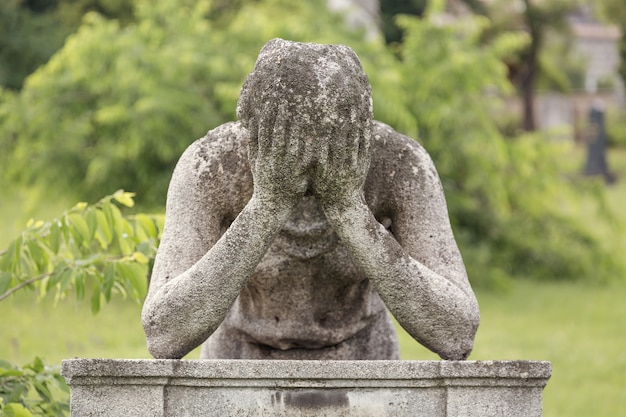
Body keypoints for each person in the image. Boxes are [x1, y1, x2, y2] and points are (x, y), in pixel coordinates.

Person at [141, 39, 479, 361]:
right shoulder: (212, 165)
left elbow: (456, 332)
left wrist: (348, 209)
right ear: (251, 127)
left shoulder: (399, 164)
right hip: (238, 353)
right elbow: (164, 333)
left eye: (333, 136)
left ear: (361, 127)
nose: (309, 153)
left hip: (363, 355)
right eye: (284, 135)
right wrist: (267, 206)